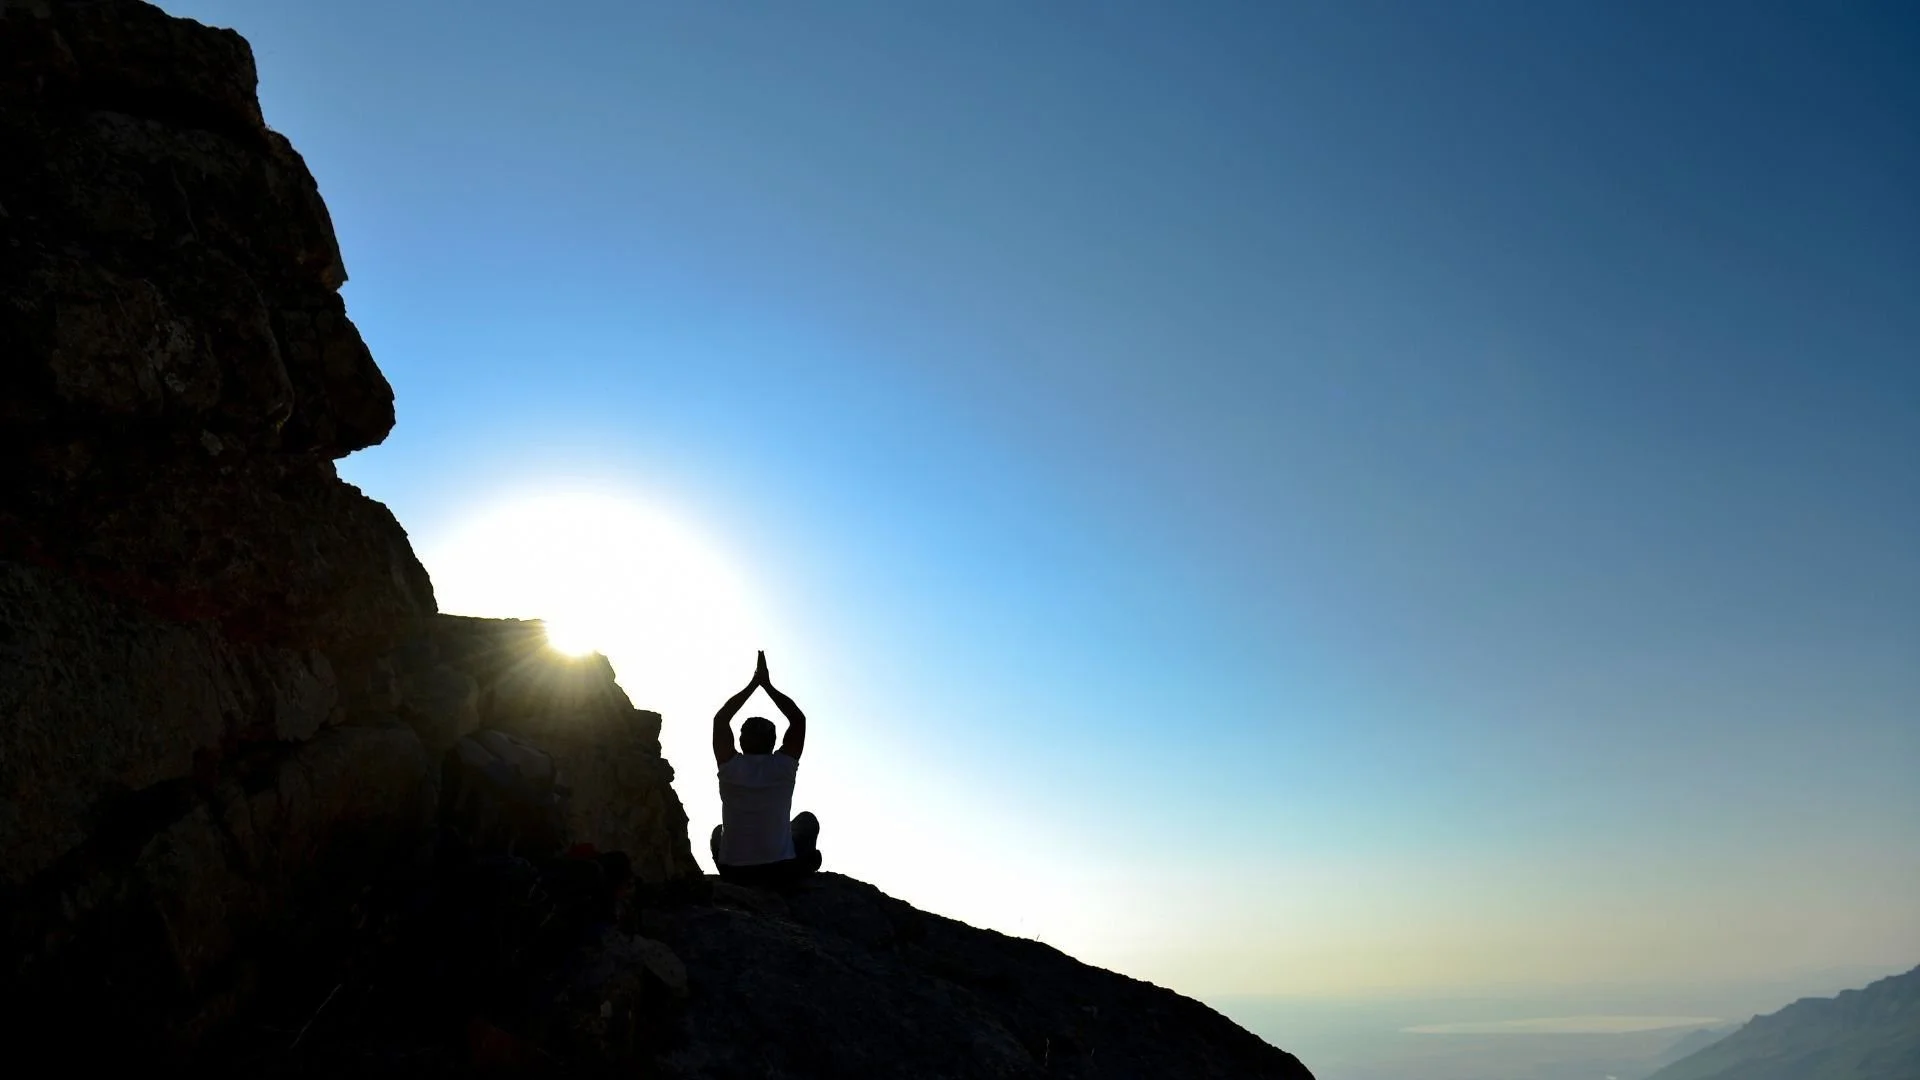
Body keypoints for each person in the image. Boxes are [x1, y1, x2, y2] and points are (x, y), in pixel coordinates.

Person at [709, 650, 821, 886]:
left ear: (740, 741)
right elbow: (798, 720)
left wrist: (753, 685)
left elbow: (721, 720)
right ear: (773, 742)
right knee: (807, 821)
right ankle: (806, 864)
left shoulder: (730, 766)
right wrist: (767, 685)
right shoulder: (783, 767)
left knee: (717, 833)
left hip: (733, 873)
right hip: (779, 872)